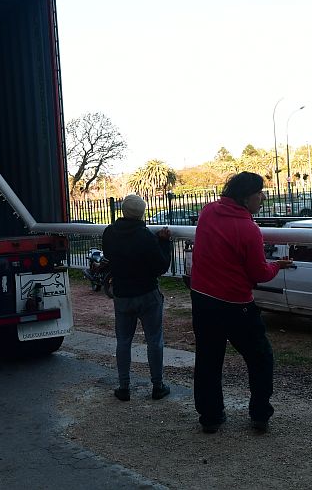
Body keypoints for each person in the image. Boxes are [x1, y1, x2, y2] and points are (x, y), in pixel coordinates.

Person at [190, 172, 293, 433]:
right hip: (235, 305)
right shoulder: (249, 230)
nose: (263, 198)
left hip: (202, 299)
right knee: (260, 358)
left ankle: (210, 417)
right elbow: (259, 273)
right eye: (259, 193)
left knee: (208, 359)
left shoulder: (208, 212)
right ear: (246, 197)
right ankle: (260, 414)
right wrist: (277, 266)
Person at [102, 194, 172, 401]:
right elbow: (161, 266)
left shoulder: (109, 233)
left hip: (122, 295)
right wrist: (164, 242)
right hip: (147, 294)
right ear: (141, 213)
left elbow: (109, 256)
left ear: (123, 211)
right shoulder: (145, 236)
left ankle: (124, 387)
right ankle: (157, 386)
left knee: (123, 341)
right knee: (154, 340)